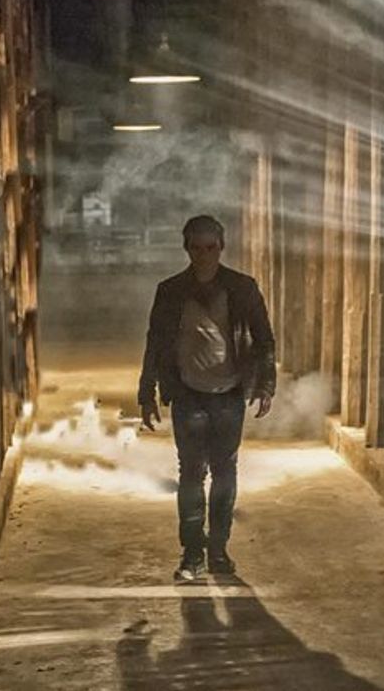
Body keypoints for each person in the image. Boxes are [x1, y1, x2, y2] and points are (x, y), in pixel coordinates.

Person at [138, 215, 276, 582]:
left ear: (221, 247)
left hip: (229, 393)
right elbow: (155, 343)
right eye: (196, 248)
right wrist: (146, 393)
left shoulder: (242, 288)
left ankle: (218, 549)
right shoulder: (171, 291)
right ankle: (192, 552)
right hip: (187, 394)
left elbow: (264, 338)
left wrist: (265, 384)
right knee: (191, 473)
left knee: (224, 472)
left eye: (210, 247)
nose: (203, 255)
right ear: (186, 249)